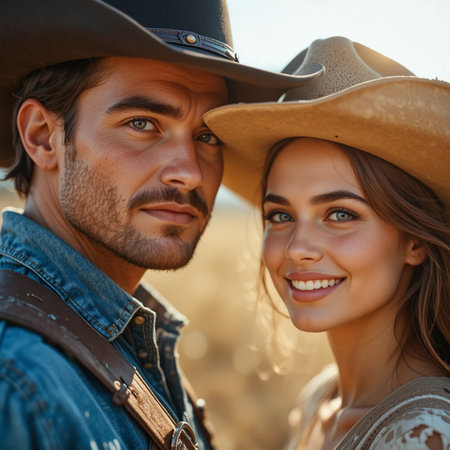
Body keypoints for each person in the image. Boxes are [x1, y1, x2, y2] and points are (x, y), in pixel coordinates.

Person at [0, 1, 324, 449]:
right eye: (142, 124)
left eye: (208, 136)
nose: (189, 171)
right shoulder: (18, 380)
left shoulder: (125, 332)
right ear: (42, 135)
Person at [204, 36, 450, 449]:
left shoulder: (422, 436)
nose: (298, 247)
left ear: (414, 241)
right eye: (280, 215)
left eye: (340, 214)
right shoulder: (320, 399)